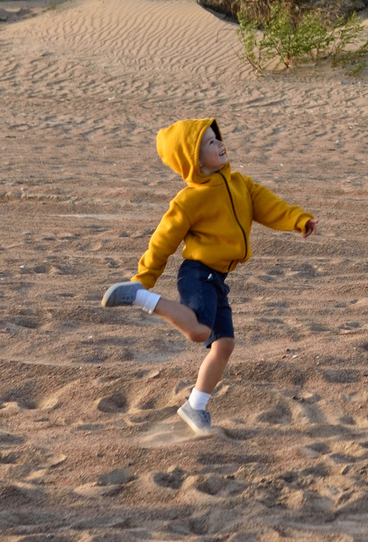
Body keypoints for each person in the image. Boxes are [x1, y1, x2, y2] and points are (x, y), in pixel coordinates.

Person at [99, 117, 316, 434]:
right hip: (198, 274)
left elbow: (270, 206)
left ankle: (194, 406)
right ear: (193, 159)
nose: (220, 144)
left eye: (218, 138)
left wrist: (298, 219)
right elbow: (163, 242)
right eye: (210, 143)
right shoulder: (190, 200)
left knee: (224, 345)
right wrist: (143, 278)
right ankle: (140, 296)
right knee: (199, 331)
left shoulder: (240, 184)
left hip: (219, 279)